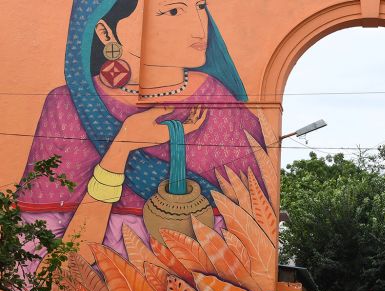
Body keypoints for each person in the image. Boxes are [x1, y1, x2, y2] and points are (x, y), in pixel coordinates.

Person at [16, 0, 272, 263]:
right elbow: (46, 268)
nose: (199, 27)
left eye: (201, 7)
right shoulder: (70, 105)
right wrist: (122, 146)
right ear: (106, 33)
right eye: (173, 11)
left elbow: (251, 241)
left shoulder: (219, 102)